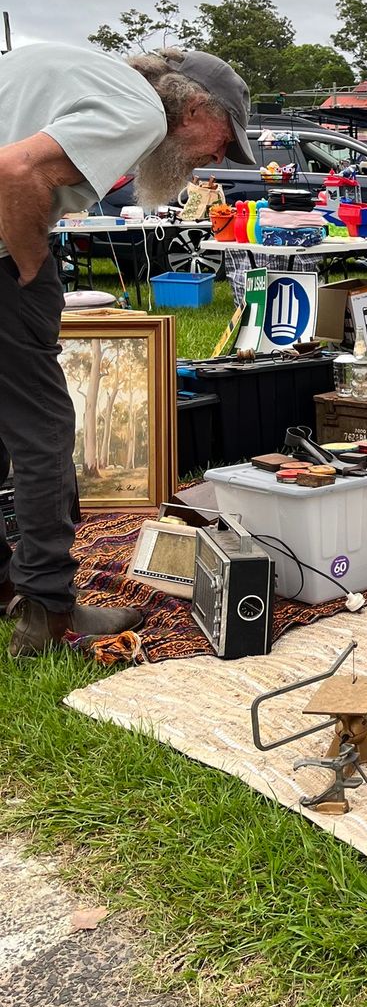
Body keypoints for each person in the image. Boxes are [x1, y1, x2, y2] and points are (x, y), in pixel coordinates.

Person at [0, 42, 254, 655]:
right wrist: (32, 267)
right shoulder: (139, 108)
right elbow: (14, 172)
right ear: (195, 107)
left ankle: (6, 585)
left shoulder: (67, 69)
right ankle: (47, 615)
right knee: (44, 434)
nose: (216, 159)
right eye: (224, 139)